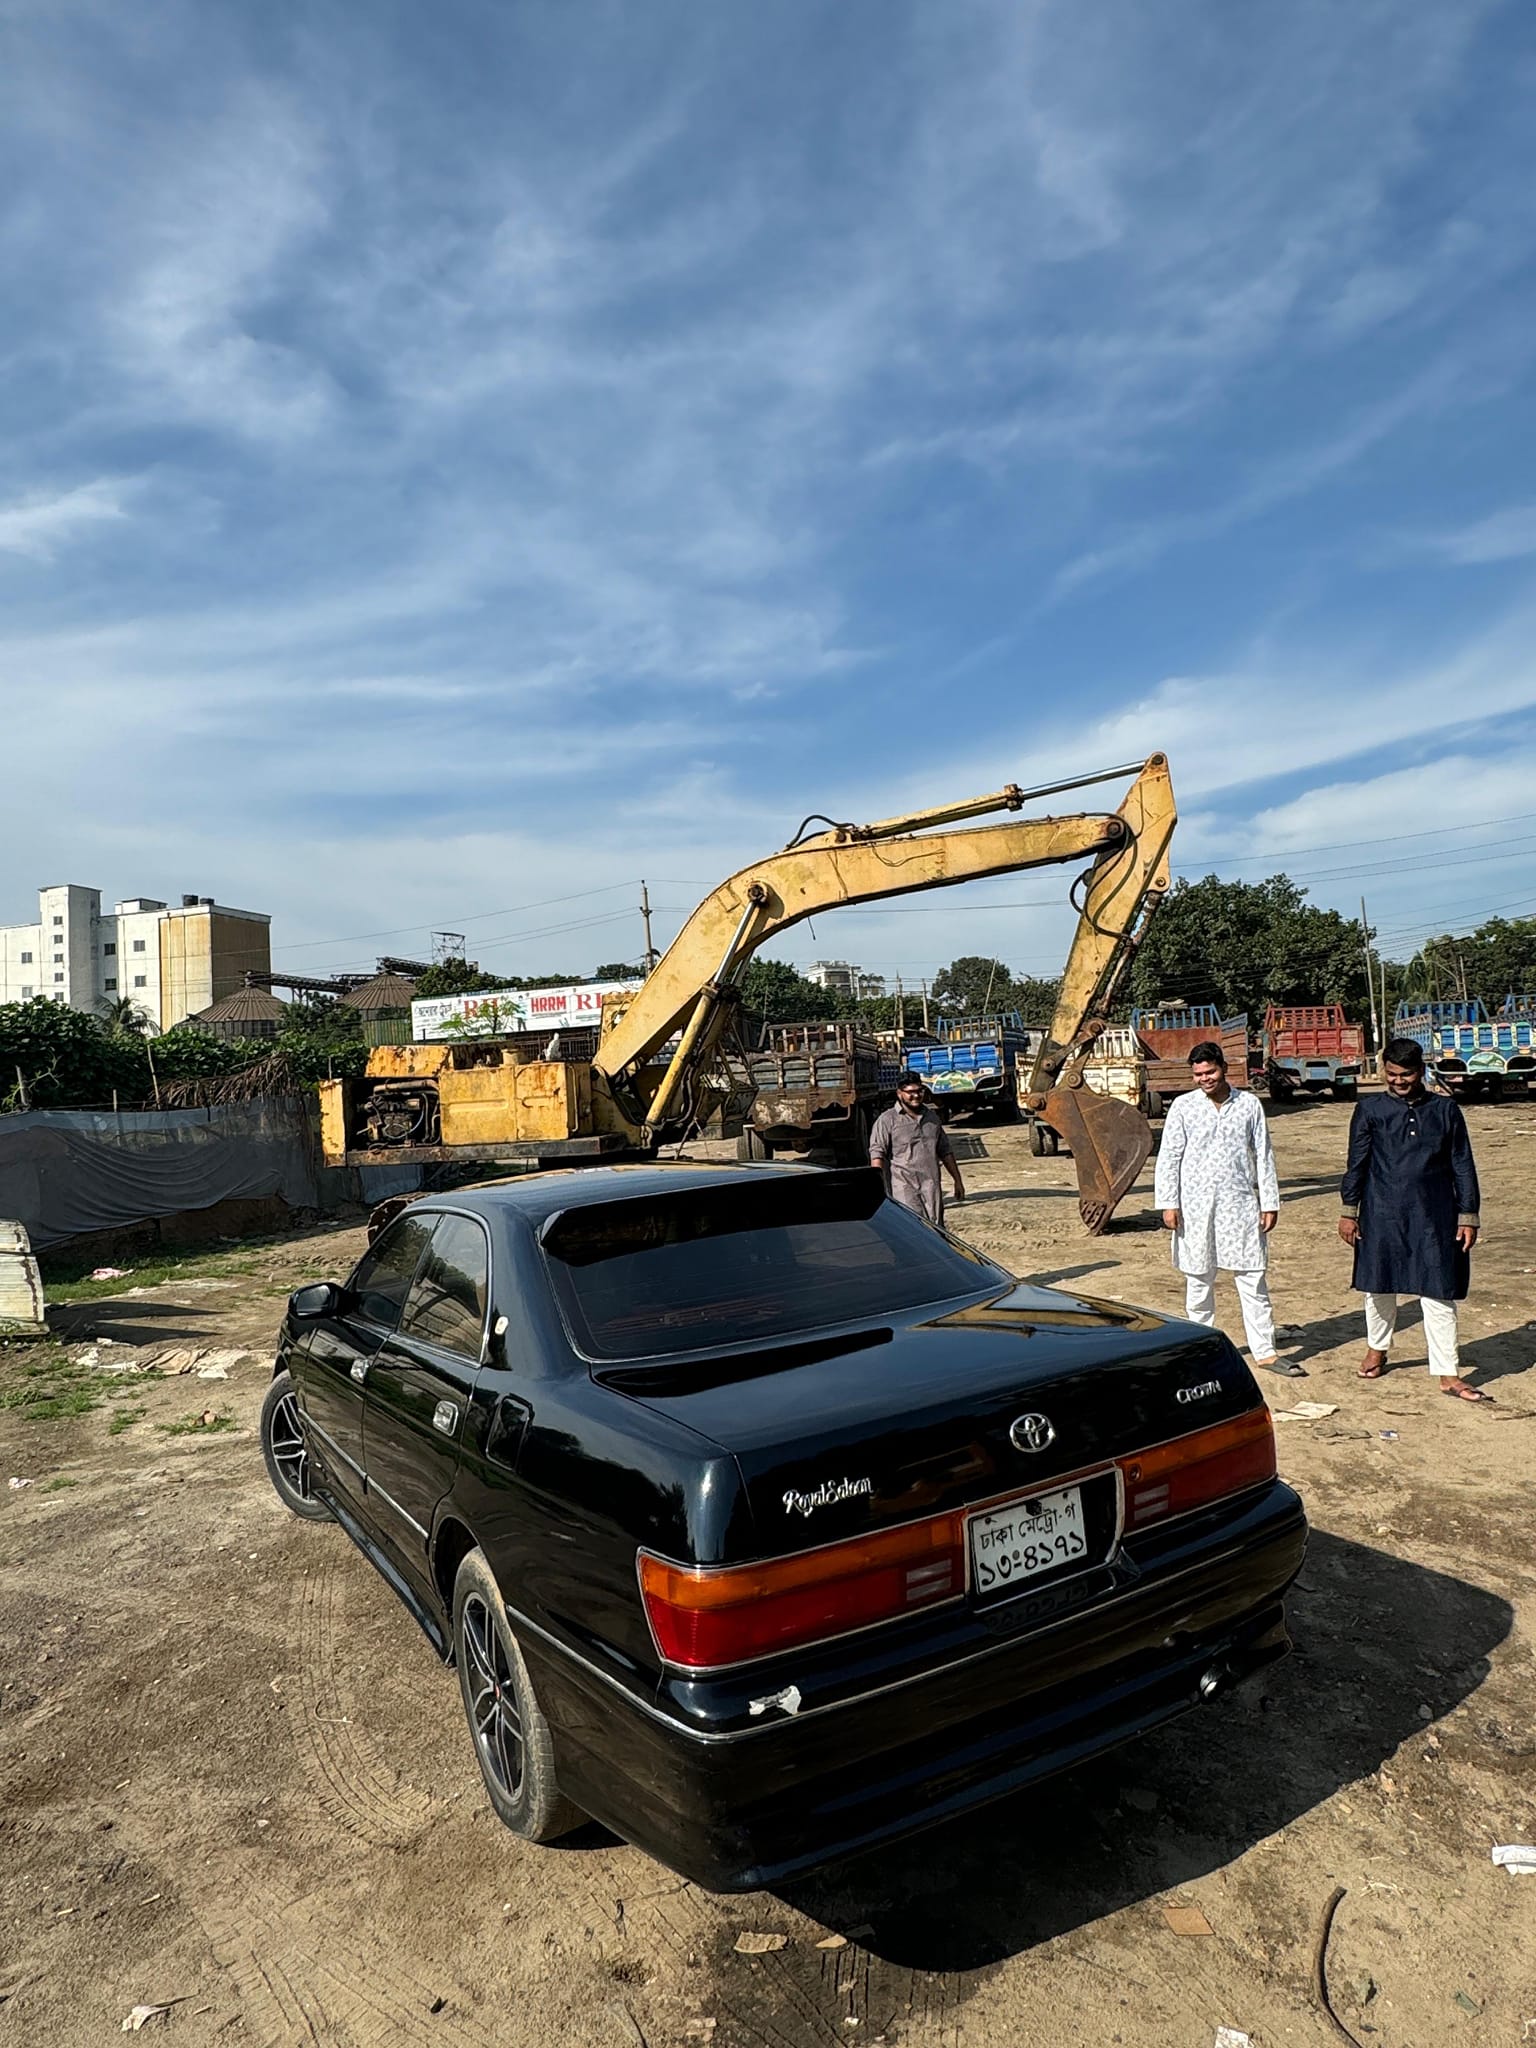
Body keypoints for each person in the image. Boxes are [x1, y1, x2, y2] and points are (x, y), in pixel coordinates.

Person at [1340, 1036, 1486, 1401]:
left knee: (1438, 1291)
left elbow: (1462, 1164)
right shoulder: (1370, 1110)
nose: (1399, 1081)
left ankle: (1448, 1373)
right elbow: (1357, 1162)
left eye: (1406, 1074)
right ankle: (1377, 1347)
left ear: (1420, 1071)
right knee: (1379, 1285)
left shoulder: (1445, 1110)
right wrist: (1348, 1210)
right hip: (1381, 1212)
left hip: (1435, 1215)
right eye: (1392, 1074)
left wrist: (1468, 1214)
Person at [1154, 1040, 1295, 1376]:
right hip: (1195, 1206)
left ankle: (1265, 1351)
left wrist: (1269, 1201)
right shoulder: (1184, 1107)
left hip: (1240, 1205)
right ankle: (1199, 1346)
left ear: (1224, 1068)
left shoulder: (1248, 1105)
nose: (1205, 1079)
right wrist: (1168, 1203)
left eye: (1210, 1071)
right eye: (1199, 1074)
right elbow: (1169, 1157)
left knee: (1252, 1278)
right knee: (1199, 1280)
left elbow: (1263, 1153)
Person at [869, 1072, 965, 1225]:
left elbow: (945, 1151)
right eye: (910, 1092)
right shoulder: (887, 1120)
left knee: (936, 1230)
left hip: (931, 1187)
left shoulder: (932, 1119)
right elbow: (877, 1154)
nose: (916, 1096)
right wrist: (877, 1187)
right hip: (904, 1188)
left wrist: (957, 1180)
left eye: (919, 1091)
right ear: (899, 1093)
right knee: (912, 1229)